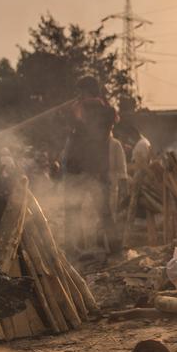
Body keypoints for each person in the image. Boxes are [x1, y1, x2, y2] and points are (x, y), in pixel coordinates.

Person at [62, 75, 118, 253]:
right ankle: (75, 249)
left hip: (95, 170)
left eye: (81, 92)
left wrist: (78, 111)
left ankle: (114, 248)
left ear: (89, 92)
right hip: (77, 169)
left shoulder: (106, 112)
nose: (78, 95)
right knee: (73, 210)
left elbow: (92, 129)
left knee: (103, 212)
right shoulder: (79, 110)